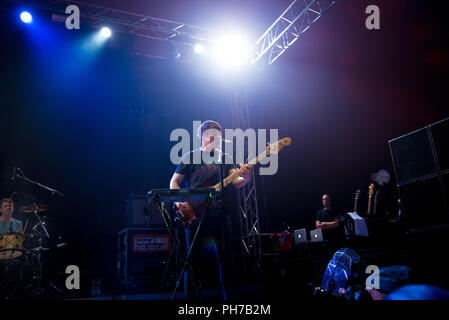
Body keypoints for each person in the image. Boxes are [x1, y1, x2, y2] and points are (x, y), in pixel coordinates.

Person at [169, 120, 252, 300]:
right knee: (192, 261)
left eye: (219, 134)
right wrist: (179, 201)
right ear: (203, 137)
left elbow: (236, 182)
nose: (217, 137)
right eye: (213, 134)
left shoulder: (225, 158)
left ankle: (229, 302)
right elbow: (174, 181)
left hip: (220, 215)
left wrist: (246, 177)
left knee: (226, 260)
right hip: (195, 215)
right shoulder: (190, 157)